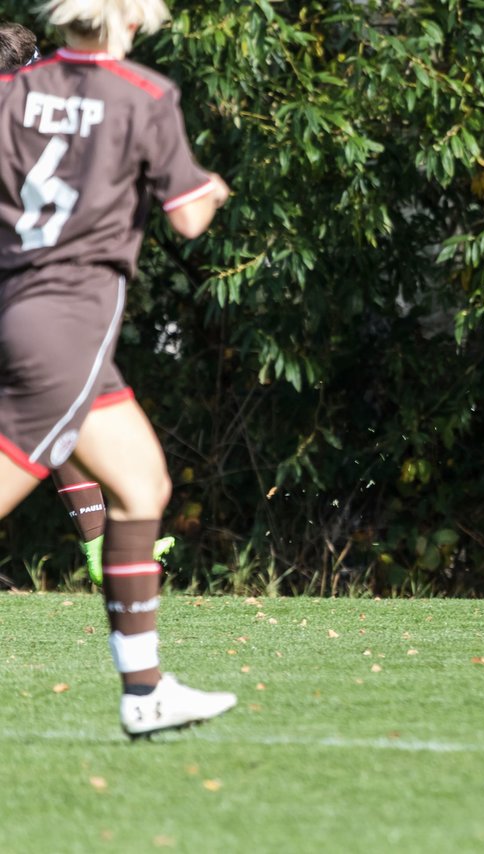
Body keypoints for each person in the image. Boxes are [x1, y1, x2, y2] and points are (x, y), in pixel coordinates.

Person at [0, 0, 235, 738]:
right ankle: (144, 690)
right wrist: (215, 187)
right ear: (129, 19)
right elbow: (190, 215)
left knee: (141, 485)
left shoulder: (13, 89)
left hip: (26, 312)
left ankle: (145, 692)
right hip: (68, 323)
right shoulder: (145, 95)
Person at [0, 18, 164, 587]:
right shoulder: (53, 117)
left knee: (72, 412)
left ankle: (101, 546)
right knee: (55, 417)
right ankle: (101, 544)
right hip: (37, 297)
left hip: (33, 299)